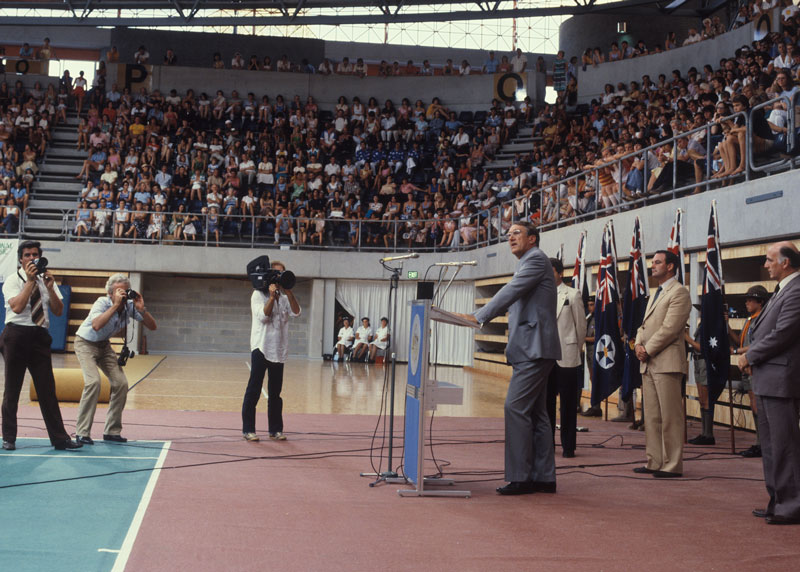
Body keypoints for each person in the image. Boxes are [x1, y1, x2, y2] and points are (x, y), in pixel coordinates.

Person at [455, 222, 561, 495]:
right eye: (508, 234)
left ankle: (521, 477)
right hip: (531, 348)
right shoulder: (528, 262)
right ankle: (543, 477)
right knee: (537, 413)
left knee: (515, 408)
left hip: (534, 348)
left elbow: (510, 291)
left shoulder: (535, 259)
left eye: (517, 233)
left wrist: (478, 316)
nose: (510, 237)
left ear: (532, 239)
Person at [738, 242, 800, 525]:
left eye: (769, 260)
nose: (765, 265)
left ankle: (792, 505)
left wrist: (750, 355)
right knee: (772, 446)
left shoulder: (796, 290)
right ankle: (777, 501)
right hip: (767, 379)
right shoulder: (781, 290)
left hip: (781, 380)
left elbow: (783, 333)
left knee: (784, 444)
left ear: (786, 262)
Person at [1, 241, 82, 451]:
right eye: (27, 255)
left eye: (35, 255)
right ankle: (9, 437)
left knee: (47, 390)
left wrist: (50, 288)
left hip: (39, 335)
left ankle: (60, 439)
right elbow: (17, 307)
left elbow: (58, 310)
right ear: (20, 259)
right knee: (12, 388)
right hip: (16, 334)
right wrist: (29, 282)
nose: (31, 258)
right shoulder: (12, 279)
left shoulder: (46, 279)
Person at [74, 274, 157, 444]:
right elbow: (96, 325)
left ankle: (112, 431)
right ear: (110, 293)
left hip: (104, 346)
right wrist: (115, 305)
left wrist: (142, 309)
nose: (123, 295)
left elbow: (153, 326)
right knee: (93, 382)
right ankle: (82, 432)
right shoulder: (102, 303)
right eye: (119, 292)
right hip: (85, 343)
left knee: (121, 384)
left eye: (126, 291)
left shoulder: (129, 307)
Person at [633, 250, 691, 478]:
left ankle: (672, 464)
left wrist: (647, 349)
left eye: (657, 262)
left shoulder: (679, 292)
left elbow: (671, 328)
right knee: (652, 417)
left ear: (670, 266)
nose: (652, 266)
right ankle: (655, 461)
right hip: (648, 362)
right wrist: (638, 344)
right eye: (652, 262)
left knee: (670, 417)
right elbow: (644, 325)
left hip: (666, 363)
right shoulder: (656, 293)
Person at [241, 260, 300, 442]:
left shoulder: (285, 298)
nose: (279, 277)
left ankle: (275, 430)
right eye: (276, 273)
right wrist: (272, 297)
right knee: (254, 390)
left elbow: (296, 312)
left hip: (278, 350)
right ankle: (248, 429)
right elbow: (263, 316)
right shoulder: (258, 295)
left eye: (282, 273)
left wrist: (288, 291)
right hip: (261, 347)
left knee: (275, 393)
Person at [546, 258, 587, 458]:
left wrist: (574, 348)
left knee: (568, 404)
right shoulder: (540, 295)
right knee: (546, 403)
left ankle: (568, 446)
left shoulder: (573, 294)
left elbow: (581, 327)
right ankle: (547, 445)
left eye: (551, 270)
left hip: (567, 354)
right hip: (546, 357)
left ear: (560, 273)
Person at [731, 285, 768, 458]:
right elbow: (741, 340)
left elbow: (758, 344)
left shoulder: (761, 319)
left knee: (757, 406)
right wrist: (728, 328)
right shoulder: (749, 320)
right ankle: (759, 441)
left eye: (751, 300)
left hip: (755, 366)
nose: (747, 303)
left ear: (760, 302)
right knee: (753, 405)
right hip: (746, 367)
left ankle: (762, 443)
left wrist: (738, 351)